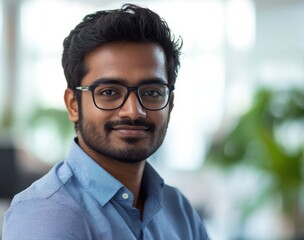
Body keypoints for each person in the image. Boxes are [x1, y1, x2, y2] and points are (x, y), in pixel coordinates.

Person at [2, 3, 209, 240]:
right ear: (73, 104)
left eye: (152, 92)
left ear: (170, 104)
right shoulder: (45, 215)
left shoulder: (178, 209)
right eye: (109, 92)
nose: (133, 111)